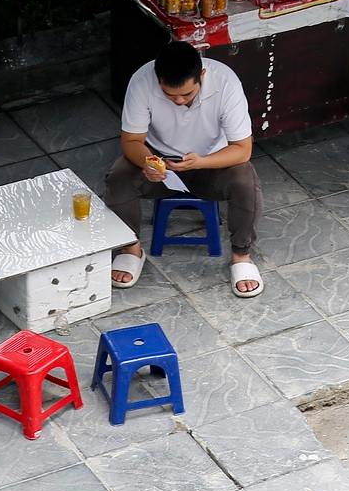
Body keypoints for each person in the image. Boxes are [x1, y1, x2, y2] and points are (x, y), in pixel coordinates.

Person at [102, 40, 265, 298]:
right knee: (118, 177)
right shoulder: (141, 82)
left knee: (245, 179)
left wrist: (201, 162)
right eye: (169, 95)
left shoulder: (226, 83)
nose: (178, 101)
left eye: (187, 94)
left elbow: (242, 149)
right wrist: (148, 163)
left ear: (201, 76)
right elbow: (131, 141)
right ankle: (131, 249)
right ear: (157, 79)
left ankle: (241, 256)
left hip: (211, 162)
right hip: (159, 161)